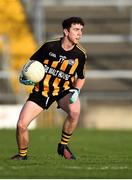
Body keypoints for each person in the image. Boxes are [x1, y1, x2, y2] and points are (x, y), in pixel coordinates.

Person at [11, 16, 87, 160]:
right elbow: (31, 64)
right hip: (42, 91)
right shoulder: (49, 47)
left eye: (81, 30)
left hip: (63, 91)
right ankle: (22, 155)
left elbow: (81, 77)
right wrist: (25, 76)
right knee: (21, 125)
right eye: (76, 30)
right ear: (66, 31)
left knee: (75, 111)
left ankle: (63, 145)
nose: (80, 33)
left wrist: (76, 91)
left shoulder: (80, 54)